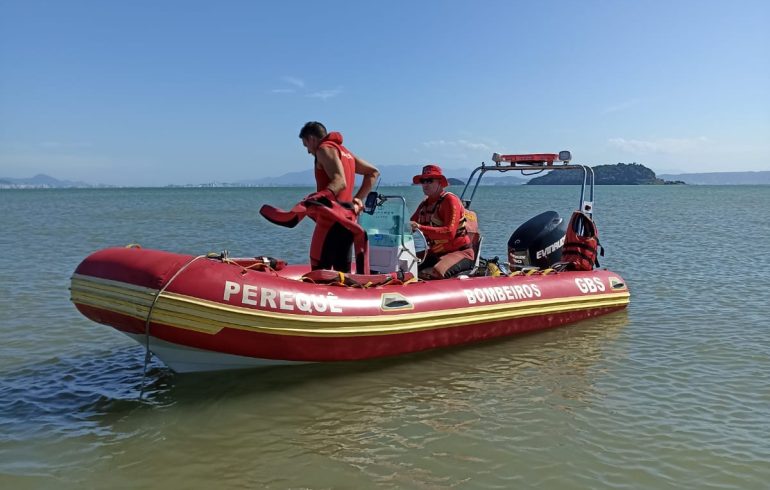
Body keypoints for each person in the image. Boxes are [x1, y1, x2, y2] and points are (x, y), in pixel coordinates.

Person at [299, 121, 379, 272]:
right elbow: (373, 172)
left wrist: (315, 199)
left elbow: (339, 181)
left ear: (311, 139)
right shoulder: (344, 152)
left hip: (330, 220)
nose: (308, 151)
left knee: (319, 269)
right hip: (348, 220)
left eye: (306, 145)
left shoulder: (324, 149)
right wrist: (358, 199)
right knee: (343, 272)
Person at [409, 164, 475, 279]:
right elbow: (409, 226)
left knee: (436, 271)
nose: (425, 184)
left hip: (460, 253)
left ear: (440, 182)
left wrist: (419, 227)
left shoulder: (450, 200)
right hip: (435, 253)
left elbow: (449, 233)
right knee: (404, 263)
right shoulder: (424, 204)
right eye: (423, 181)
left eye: (429, 180)